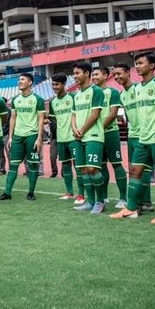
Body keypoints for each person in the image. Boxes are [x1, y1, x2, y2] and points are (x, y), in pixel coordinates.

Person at [110, 52, 155, 223]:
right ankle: (131, 209)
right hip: (143, 138)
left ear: (152, 65)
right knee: (135, 171)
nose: (138, 66)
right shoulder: (137, 89)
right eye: (136, 63)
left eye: (141, 63)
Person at [0, 73, 45, 201]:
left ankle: (31, 192)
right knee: (13, 165)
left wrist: (39, 138)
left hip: (32, 136)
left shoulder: (38, 99)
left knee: (33, 165)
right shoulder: (15, 99)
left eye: (22, 79)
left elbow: (41, 120)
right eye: (19, 79)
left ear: (30, 82)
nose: (19, 81)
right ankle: (7, 193)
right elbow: (13, 118)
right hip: (17, 136)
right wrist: (10, 137)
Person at [112, 63, 153, 212]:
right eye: (115, 75)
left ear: (128, 72)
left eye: (119, 73)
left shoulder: (139, 89)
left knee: (144, 170)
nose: (117, 77)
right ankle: (141, 202)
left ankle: (145, 202)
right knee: (134, 169)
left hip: (144, 135)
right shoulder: (122, 94)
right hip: (132, 135)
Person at [68, 62, 106, 213]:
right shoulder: (76, 95)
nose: (75, 76)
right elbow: (73, 115)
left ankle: (100, 201)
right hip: (78, 137)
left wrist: (82, 130)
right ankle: (90, 201)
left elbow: (95, 114)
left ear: (87, 74)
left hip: (93, 136)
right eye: (74, 74)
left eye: (77, 73)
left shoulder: (96, 91)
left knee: (92, 169)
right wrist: (74, 129)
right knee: (83, 170)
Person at [91, 66, 128, 208]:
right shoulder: (92, 93)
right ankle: (104, 197)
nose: (93, 77)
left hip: (110, 133)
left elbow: (113, 114)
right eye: (92, 75)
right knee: (100, 166)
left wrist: (99, 128)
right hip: (96, 135)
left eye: (96, 74)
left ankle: (123, 198)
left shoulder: (112, 92)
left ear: (106, 76)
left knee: (117, 164)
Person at [49, 73, 83, 202]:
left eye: (57, 84)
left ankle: (81, 194)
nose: (54, 87)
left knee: (78, 166)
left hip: (74, 138)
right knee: (65, 166)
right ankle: (69, 192)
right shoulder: (53, 102)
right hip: (61, 138)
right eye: (53, 84)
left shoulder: (74, 97)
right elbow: (54, 121)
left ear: (64, 85)